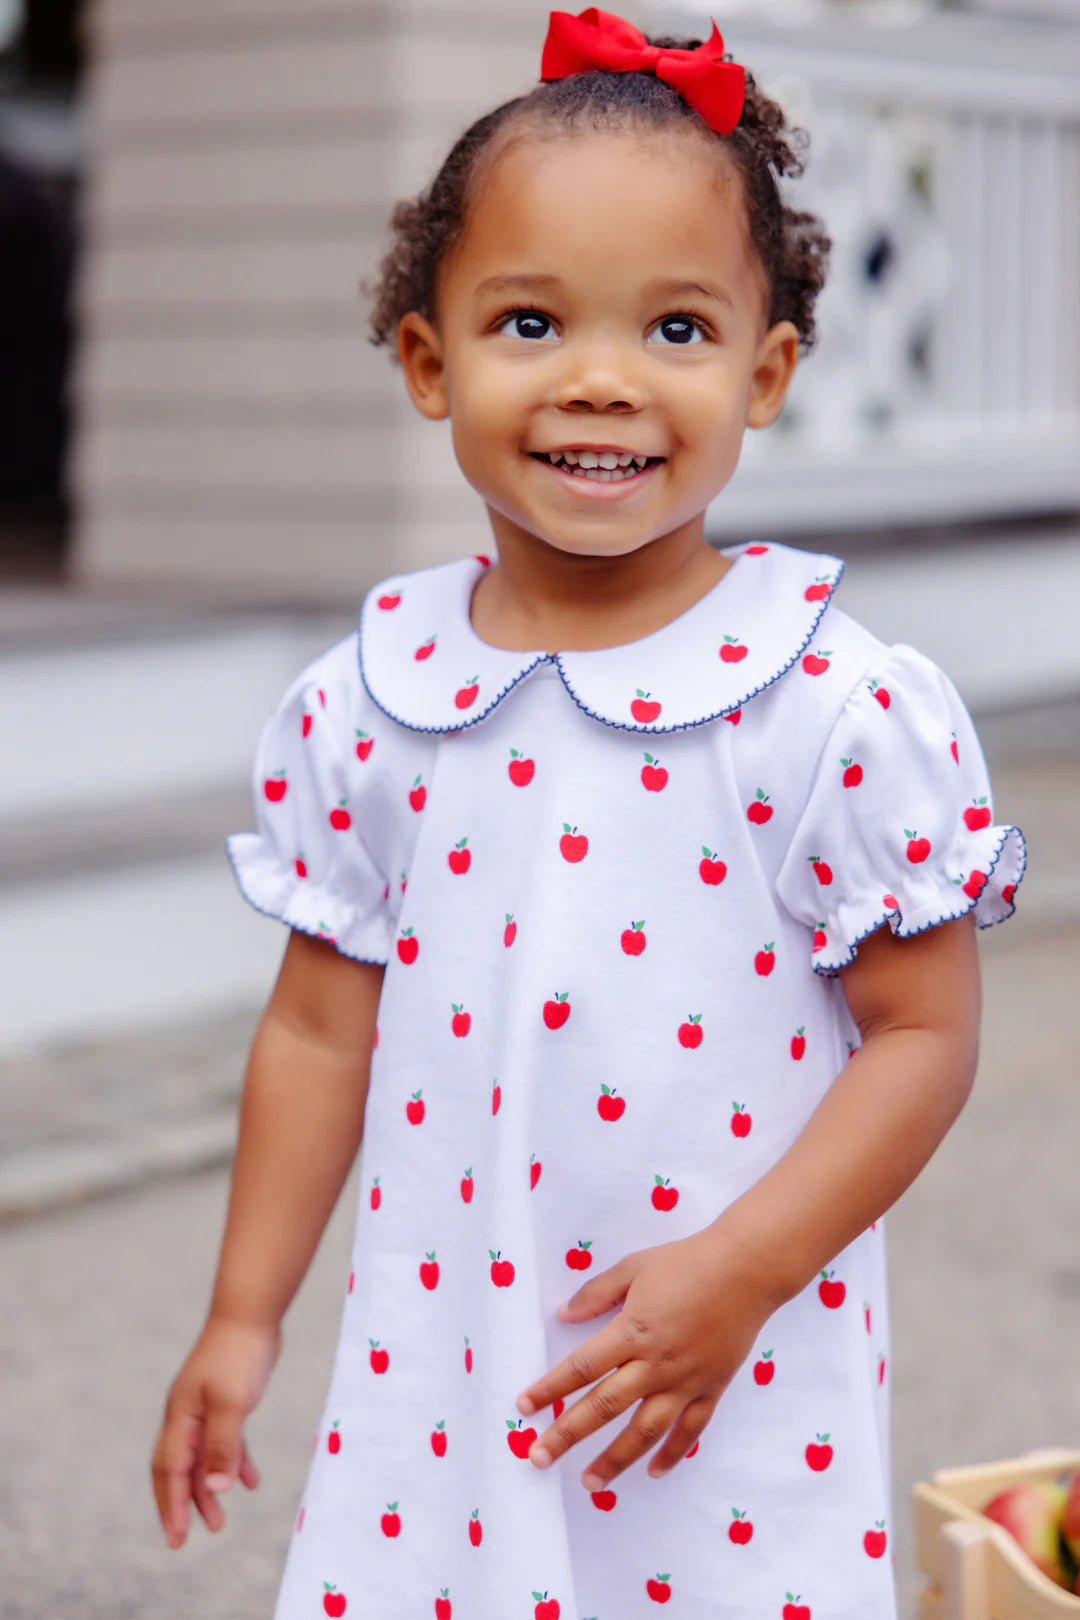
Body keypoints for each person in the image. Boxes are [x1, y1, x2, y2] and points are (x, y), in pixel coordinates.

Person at [150, 10, 1026, 1617]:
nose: (603, 379)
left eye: (677, 331)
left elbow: (922, 1036)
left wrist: (748, 1273)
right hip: (449, 1349)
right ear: (431, 361)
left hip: (722, 1351)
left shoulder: (820, 703)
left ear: (766, 375)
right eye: (533, 320)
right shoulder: (378, 696)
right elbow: (318, 1034)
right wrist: (243, 1314)